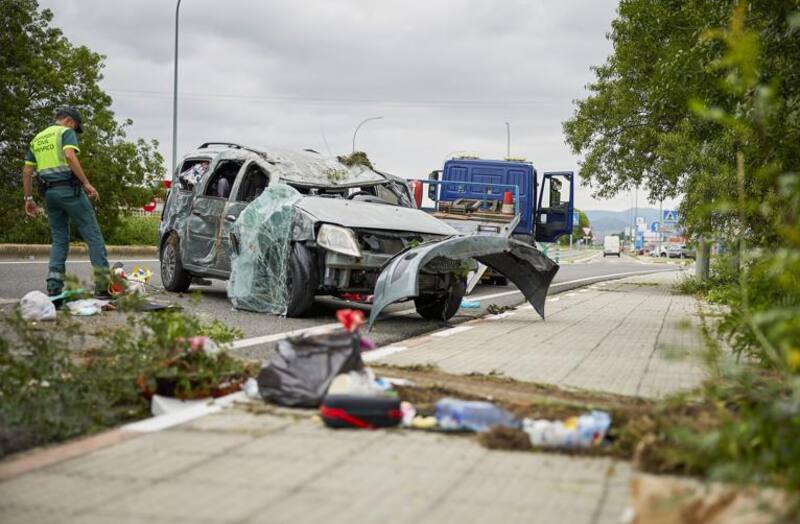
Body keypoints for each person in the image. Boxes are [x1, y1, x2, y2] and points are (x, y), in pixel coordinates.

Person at [22, 107, 110, 298]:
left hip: (50, 194)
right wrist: (86, 183)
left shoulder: (37, 138)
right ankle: (102, 287)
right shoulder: (65, 132)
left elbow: (27, 171)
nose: (75, 131)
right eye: (75, 127)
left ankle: (54, 286)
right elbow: (70, 156)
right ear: (69, 121)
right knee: (92, 235)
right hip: (70, 191)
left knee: (59, 240)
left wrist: (28, 199)